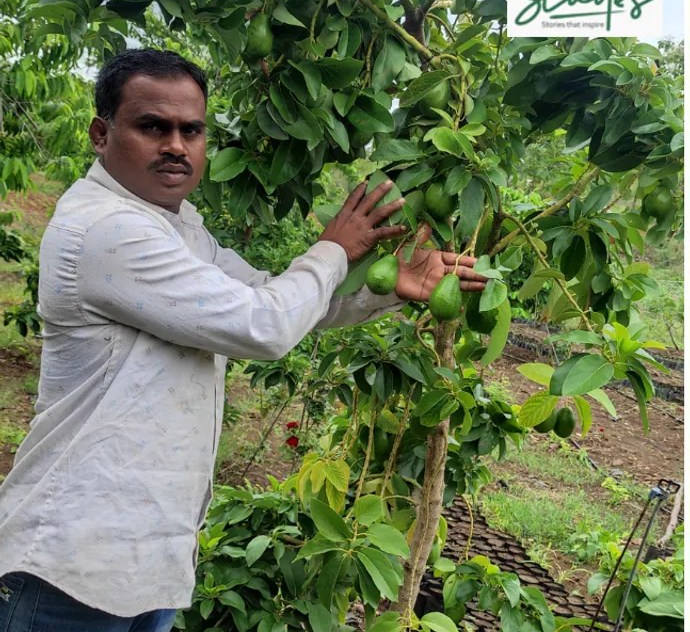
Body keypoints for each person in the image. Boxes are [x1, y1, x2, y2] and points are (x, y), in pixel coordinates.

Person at [0, 48, 487, 631]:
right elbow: (265, 326)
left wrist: (384, 290)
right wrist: (334, 248)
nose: (176, 145)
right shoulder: (108, 229)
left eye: (192, 130)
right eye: (153, 126)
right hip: (71, 561)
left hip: (144, 555)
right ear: (101, 134)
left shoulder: (176, 225)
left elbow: (266, 296)